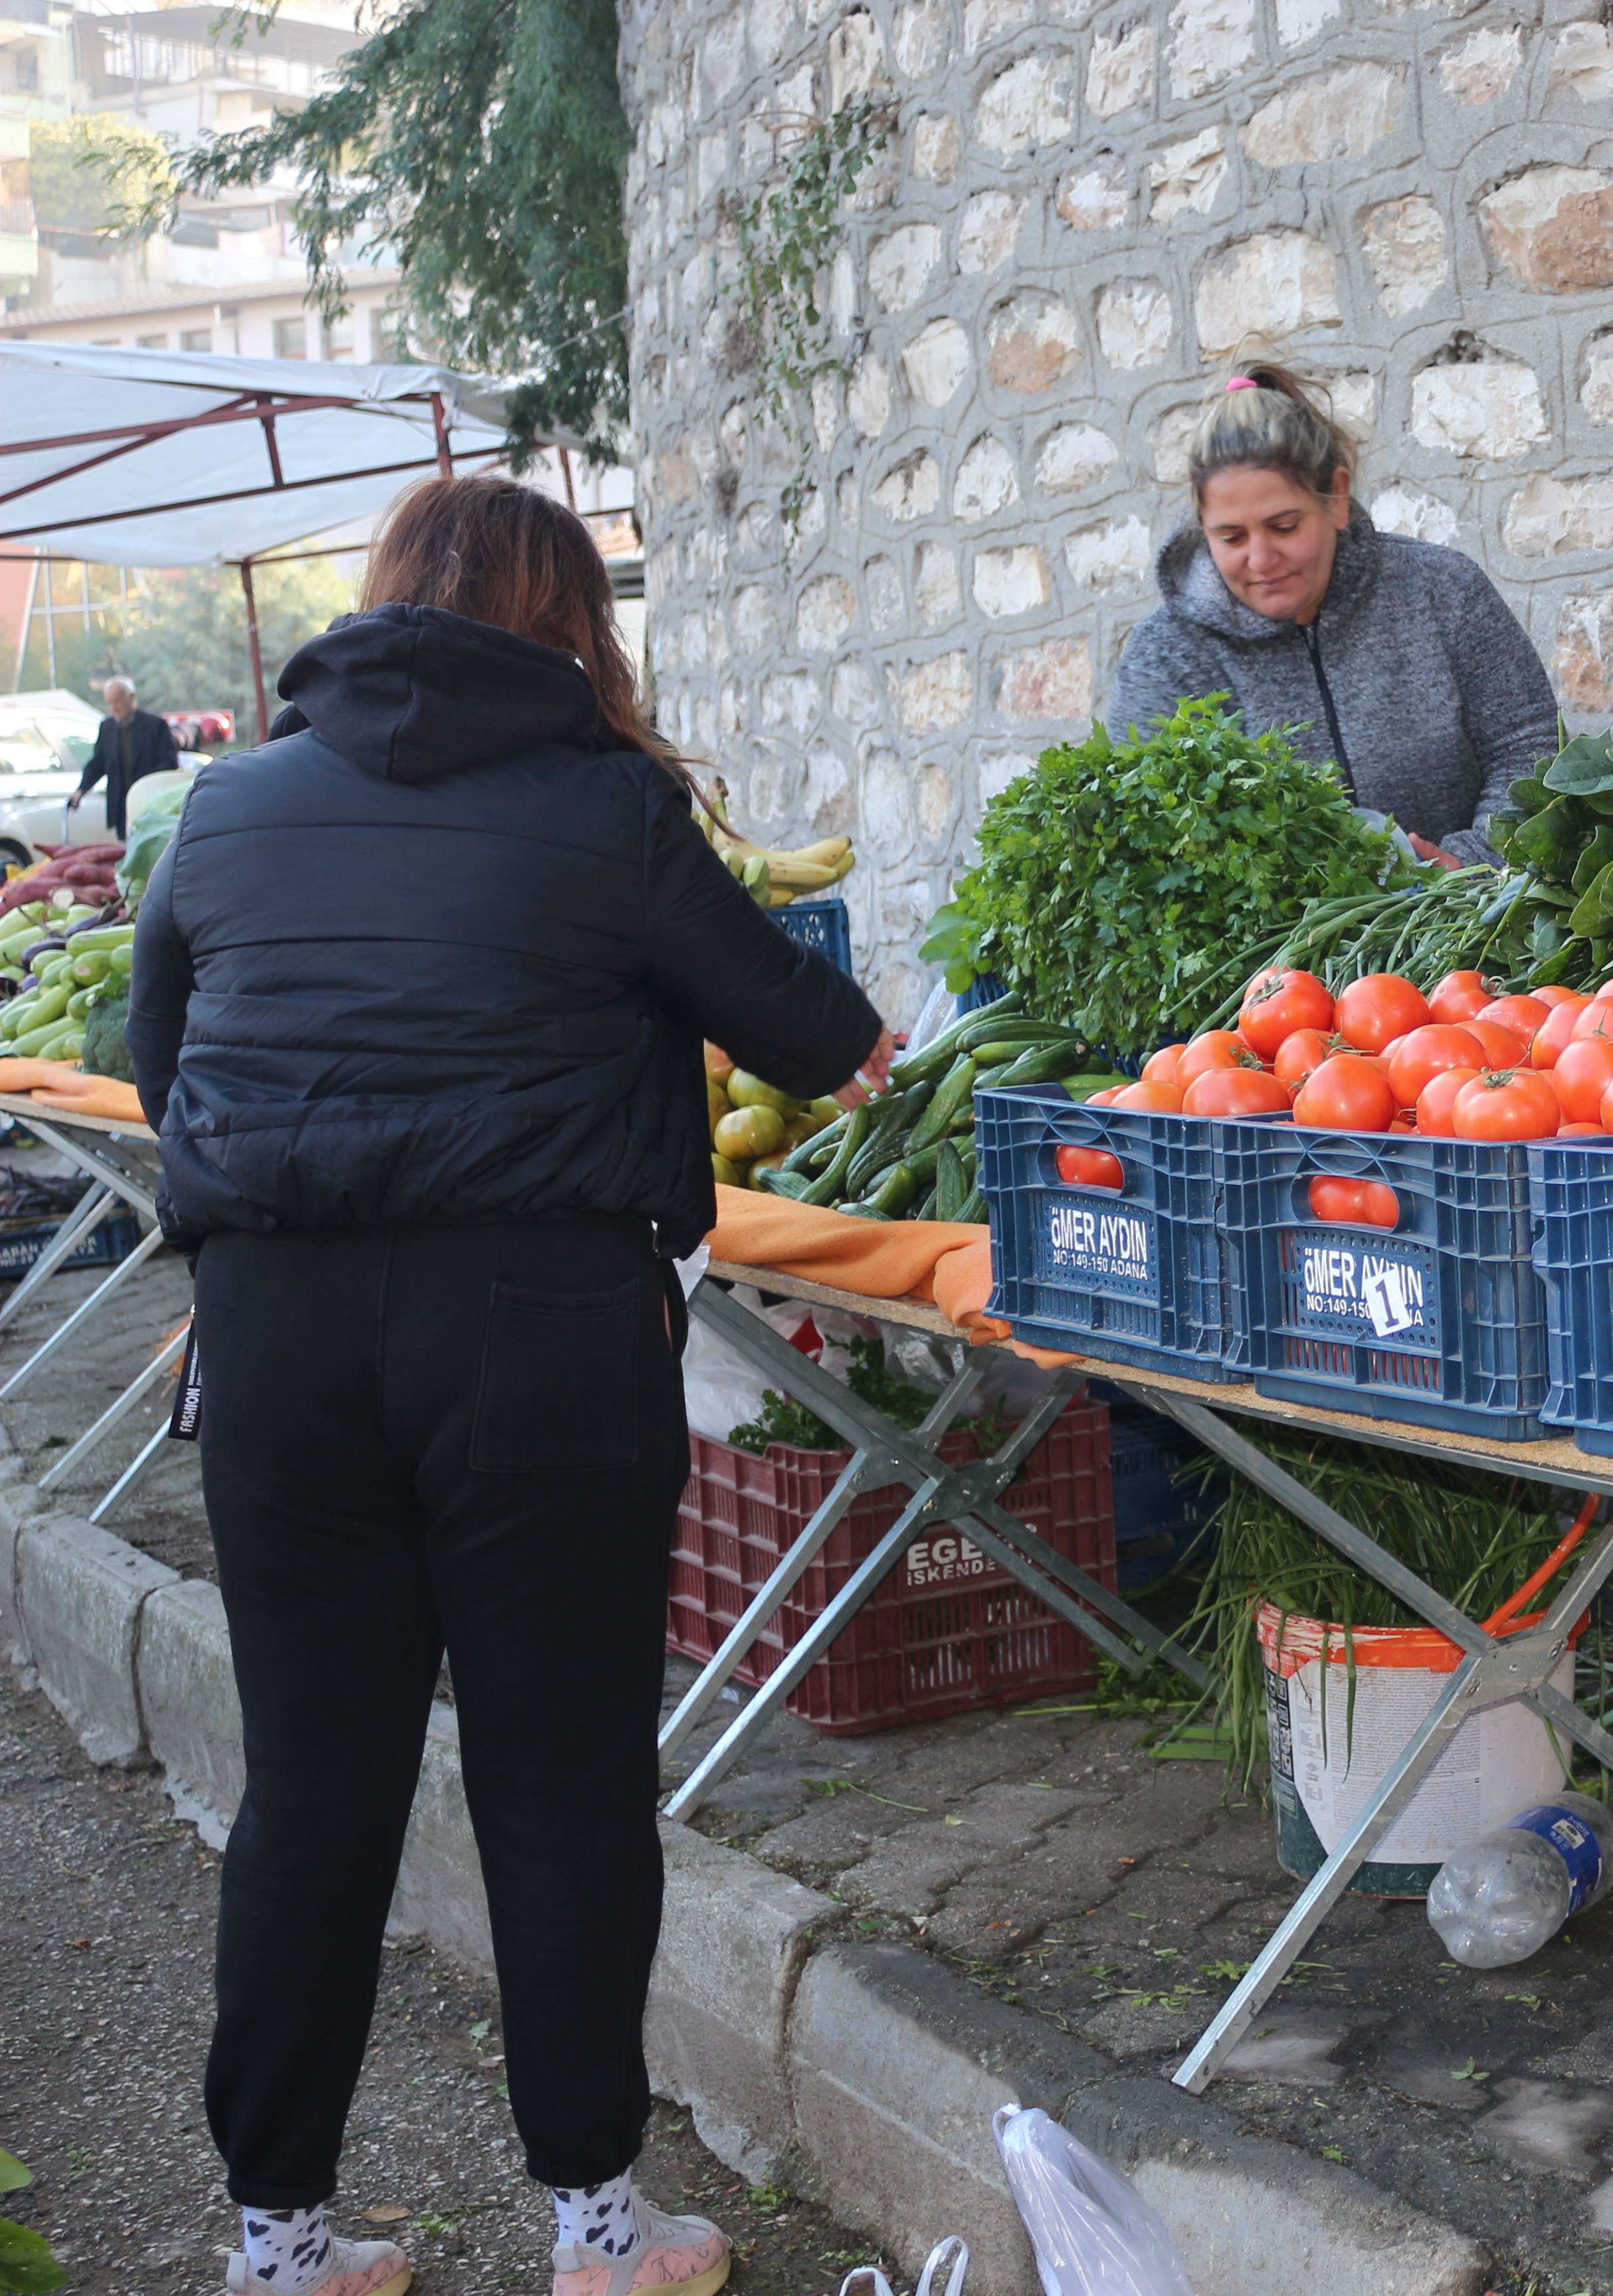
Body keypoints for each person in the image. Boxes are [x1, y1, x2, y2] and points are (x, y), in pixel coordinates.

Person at [129, 476, 886, 2296]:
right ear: (573, 624)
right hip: (536, 1330)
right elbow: (819, 1041)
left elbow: (163, 1061)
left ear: (381, 601)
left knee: (312, 1781)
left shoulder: (227, 805)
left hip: (280, 1331)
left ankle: (279, 2247)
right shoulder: (611, 805)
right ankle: (600, 2237)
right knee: (557, 1779)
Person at [1103, 362, 1560, 862]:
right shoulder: (1166, 658)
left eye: (1284, 526)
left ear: (1337, 497)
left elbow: (1528, 744)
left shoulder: (1441, 590)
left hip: (1473, 920)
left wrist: (1473, 861)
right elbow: (1145, 837)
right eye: (1231, 537)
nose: (1260, 559)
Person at [77, 672, 181, 836]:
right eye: (109, 703)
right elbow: (98, 764)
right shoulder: (107, 728)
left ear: (131, 698)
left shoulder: (155, 725)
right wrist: (81, 790)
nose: (114, 708)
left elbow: (169, 763)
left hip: (150, 805)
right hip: (121, 807)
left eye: (117, 701)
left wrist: (147, 786)